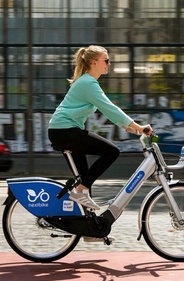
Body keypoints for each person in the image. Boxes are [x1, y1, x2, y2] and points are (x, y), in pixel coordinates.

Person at [48, 45, 153, 210]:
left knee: (85, 181)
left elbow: (108, 111)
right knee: (111, 152)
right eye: (106, 60)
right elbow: (109, 108)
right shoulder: (88, 83)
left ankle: (90, 232)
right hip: (65, 131)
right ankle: (80, 191)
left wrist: (127, 127)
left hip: (64, 131)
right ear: (93, 62)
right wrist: (138, 127)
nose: (109, 64)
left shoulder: (87, 82)